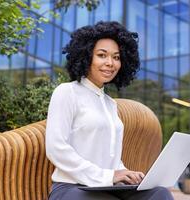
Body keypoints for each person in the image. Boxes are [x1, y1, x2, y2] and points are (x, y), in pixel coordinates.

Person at [45, 21, 174, 200]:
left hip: (108, 187)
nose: (110, 63)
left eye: (116, 57)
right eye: (102, 55)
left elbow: (109, 156)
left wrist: (124, 172)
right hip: (73, 188)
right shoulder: (67, 92)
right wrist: (108, 176)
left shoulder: (110, 104)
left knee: (159, 193)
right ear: (87, 56)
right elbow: (56, 148)